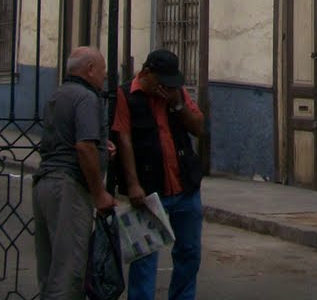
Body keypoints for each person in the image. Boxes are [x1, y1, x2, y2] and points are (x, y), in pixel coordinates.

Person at [111, 49, 205, 300]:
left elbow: (198, 127)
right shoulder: (126, 96)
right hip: (150, 189)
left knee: (190, 252)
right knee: (145, 258)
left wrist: (177, 104)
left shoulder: (176, 94)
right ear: (147, 73)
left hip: (184, 186)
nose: (165, 87)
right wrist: (132, 185)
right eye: (162, 81)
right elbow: (124, 140)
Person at [35, 46, 114, 300]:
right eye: (102, 72)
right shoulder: (86, 98)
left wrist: (102, 147)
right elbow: (83, 147)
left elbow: (69, 139)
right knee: (69, 273)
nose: (104, 78)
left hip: (46, 183)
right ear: (90, 70)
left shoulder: (59, 95)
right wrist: (99, 193)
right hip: (68, 187)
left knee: (50, 270)